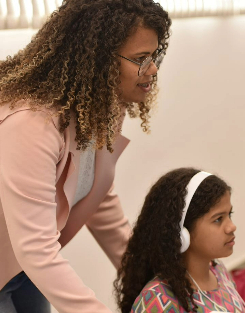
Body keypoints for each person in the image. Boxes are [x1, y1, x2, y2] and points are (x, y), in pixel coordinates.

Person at [0, 1, 171, 312]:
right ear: (97, 60)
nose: (153, 68)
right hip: (24, 259)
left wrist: (152, 280)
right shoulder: (31, 123)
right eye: (140, 59)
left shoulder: (99, 106)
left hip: (20, 266)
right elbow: (37, 249)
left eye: (154, 56)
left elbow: (96, 197)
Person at [114, 167, 245, 313]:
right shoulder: (157, 300)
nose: (231, 226)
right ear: (181, 232)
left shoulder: (217, 270)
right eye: (218, 219)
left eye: (229, 215)